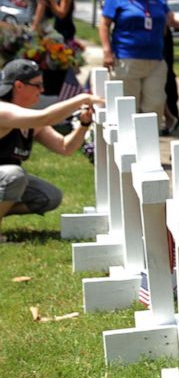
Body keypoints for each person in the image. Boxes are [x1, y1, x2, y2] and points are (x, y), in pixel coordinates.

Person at [0, 59, 103, 241]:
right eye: (38, 85)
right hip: (8, 176)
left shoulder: (28, 120)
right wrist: (82, 98)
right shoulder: (3, 110)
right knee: (14, 175)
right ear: (19, 86)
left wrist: (84, 124)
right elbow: (44, 118)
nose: (42, 90)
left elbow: (65, 147)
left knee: (49, 196)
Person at [99, 0, 173, 131]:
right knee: (128, 109)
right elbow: (104, 24)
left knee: (154, 106)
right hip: (127, 58)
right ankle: (131, 153)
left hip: (155, 59)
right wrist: (107, 51)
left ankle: (150, 151)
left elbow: (168, 18)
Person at [154, 0, 179, 135]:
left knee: (167, 77)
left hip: (161, 39)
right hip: (149, 39)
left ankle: (172, 114)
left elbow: (166, 16)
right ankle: (168, 116)